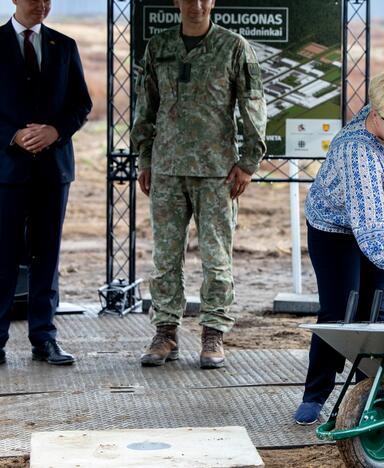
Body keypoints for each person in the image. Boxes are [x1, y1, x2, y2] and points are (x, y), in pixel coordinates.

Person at [132, 0, 266, 369]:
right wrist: (145, 157)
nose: (197, 4)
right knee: (165, 257)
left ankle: (213, 333)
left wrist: (248, 163)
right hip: (168, 169)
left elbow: (253, 103)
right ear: (176, 1)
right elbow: (146, 107)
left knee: (217, 258)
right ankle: (165, 332)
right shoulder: (159, 46)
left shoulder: (233, 47)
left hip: (216, 171)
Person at [294, 67, 384, 425]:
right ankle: (316, 393)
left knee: (376, 310)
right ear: (375, 113)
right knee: (339, 311)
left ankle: (366, 392)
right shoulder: (357, 149)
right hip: (334, 227)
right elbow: (368, 227)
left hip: (377, 219)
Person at [0, 0, 92, 371]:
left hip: (53, 171)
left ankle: (45, 338)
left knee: (46, 256)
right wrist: (13, 135)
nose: (42, 5)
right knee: (2, 256)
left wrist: (55, 130)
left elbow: (80, 104)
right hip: (4, 170)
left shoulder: (64, 46)